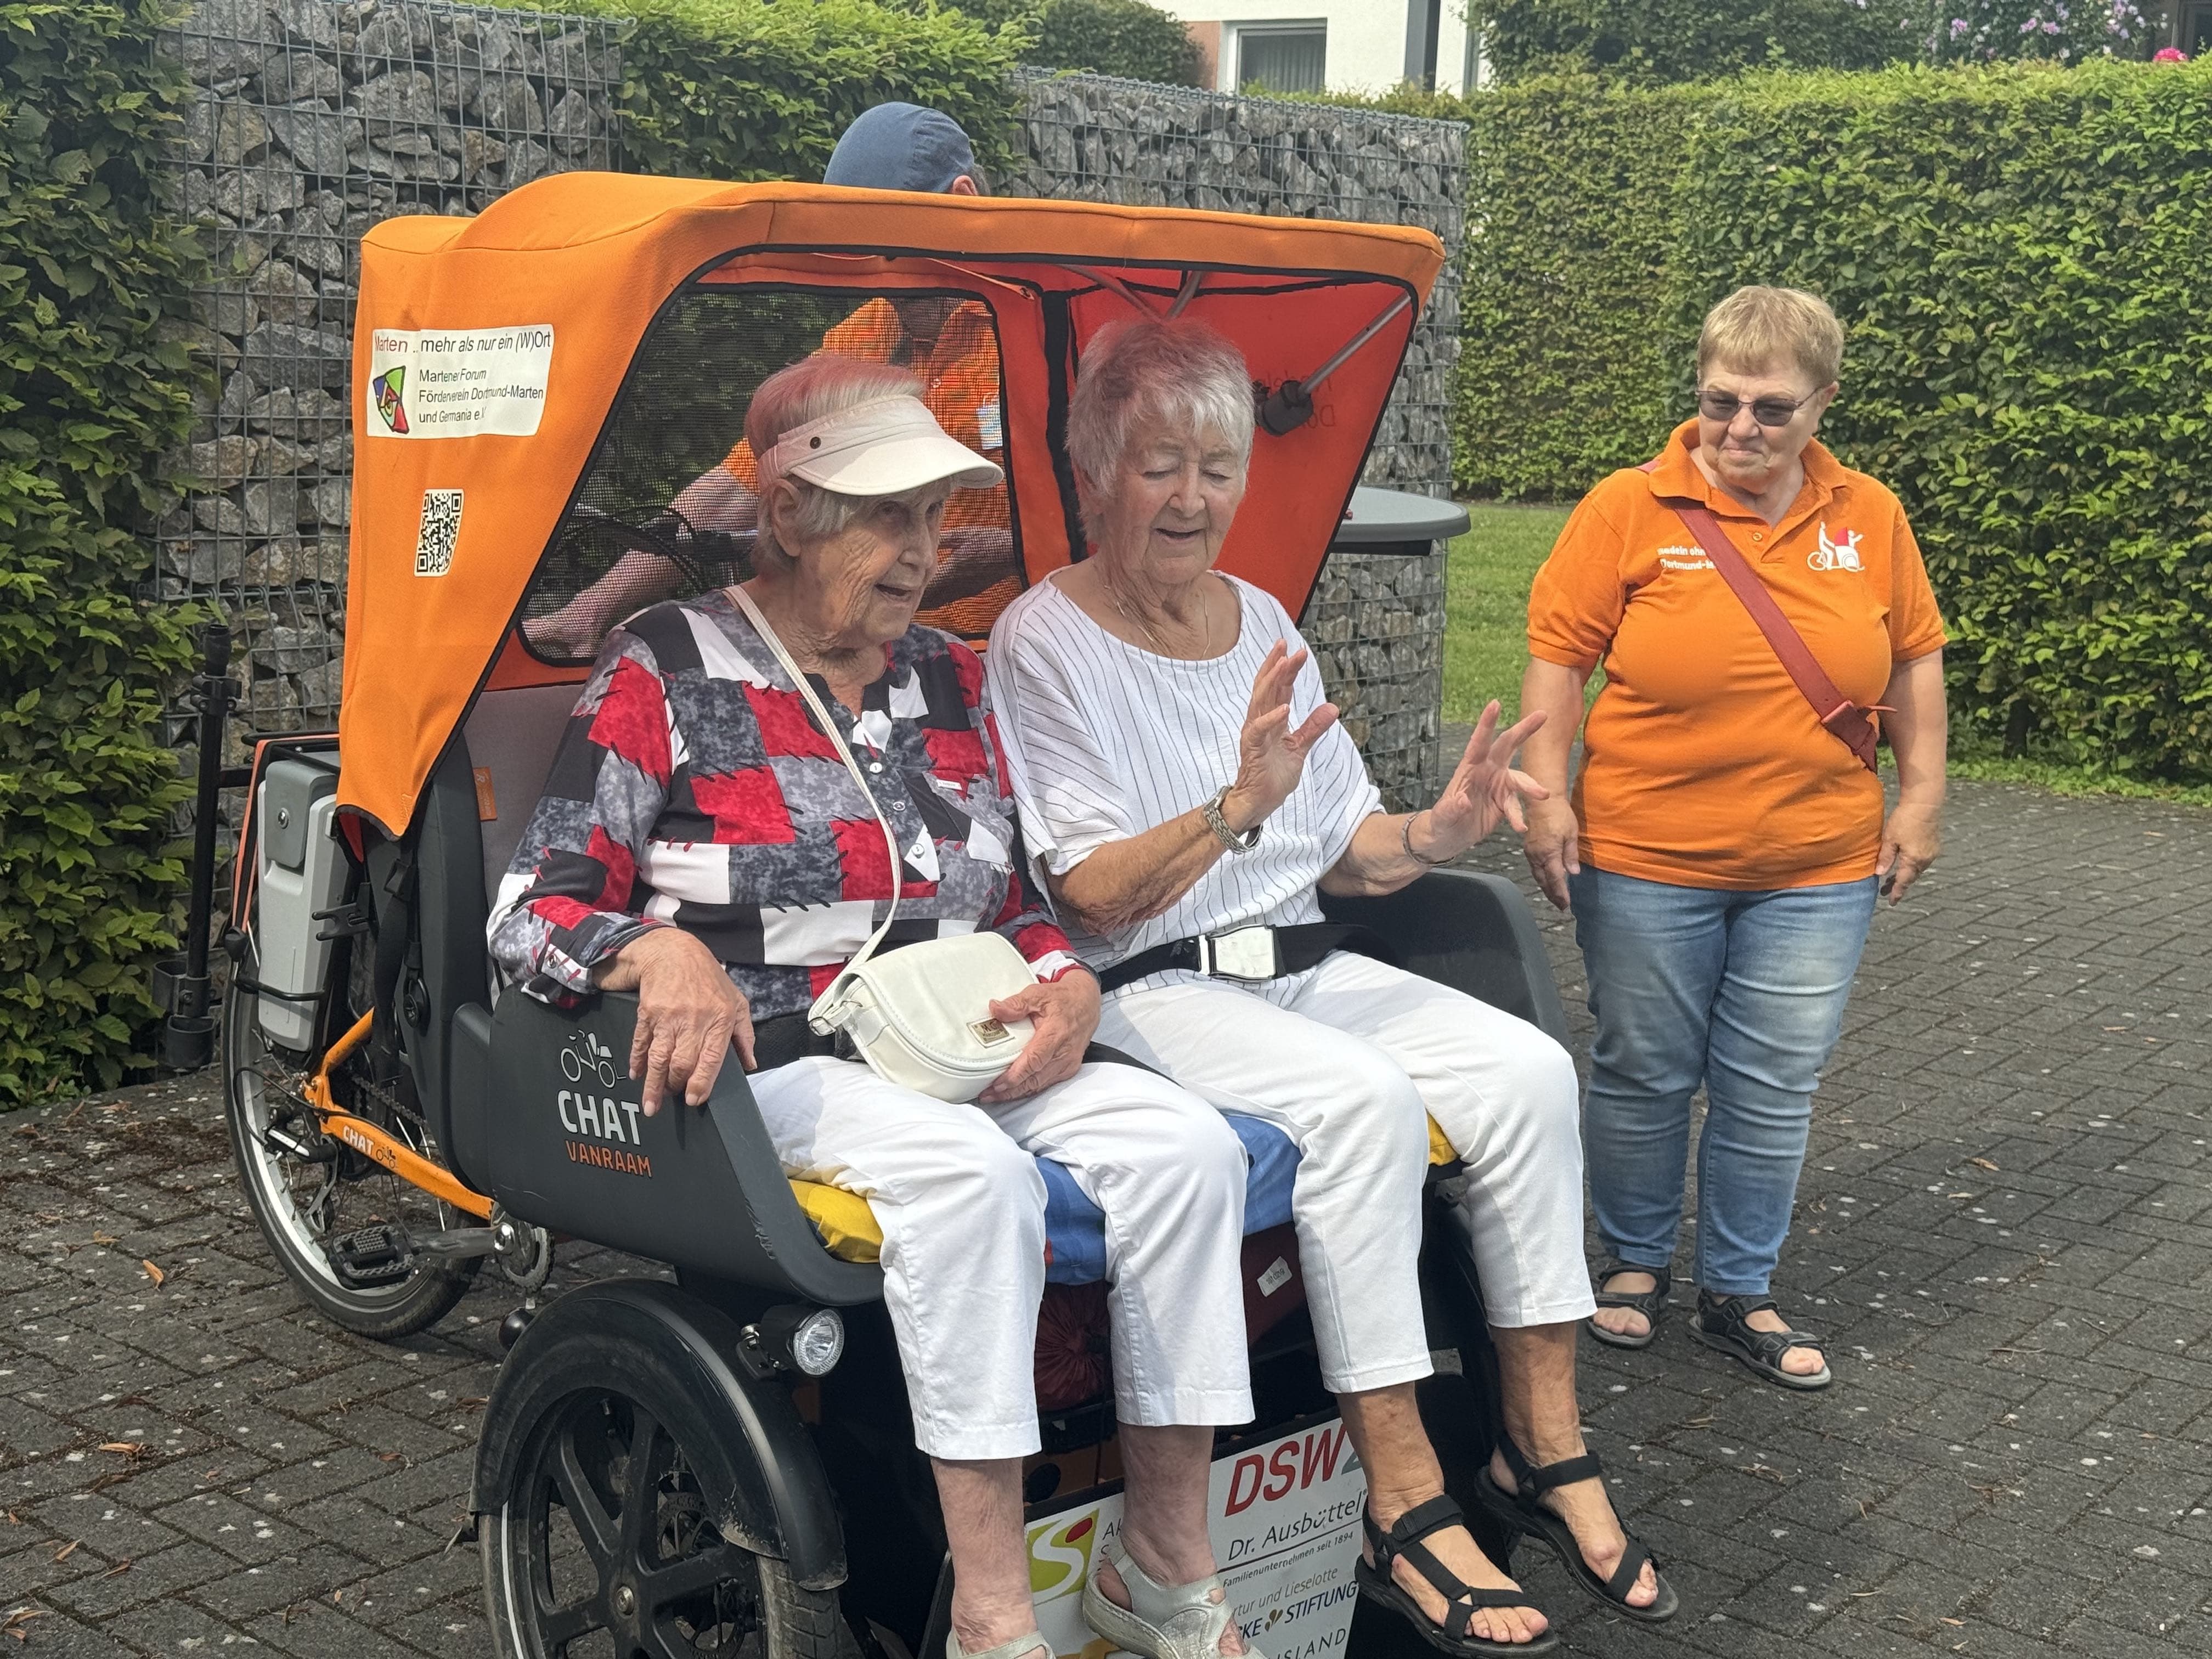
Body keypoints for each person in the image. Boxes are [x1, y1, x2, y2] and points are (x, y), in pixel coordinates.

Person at [491, 353, 1259, 1659]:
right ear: (787, 516)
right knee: (969, 1185)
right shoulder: (666, 666)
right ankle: (996, 1620)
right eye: (886, 513)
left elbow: (1011, 901)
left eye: (933, 516)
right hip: (776, 1058)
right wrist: (657, 955)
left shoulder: (947, 679)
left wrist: (1067, 983)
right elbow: (534, 907)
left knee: (1190, 1152)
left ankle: (1164, 1560)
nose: (920, 552)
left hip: (960, 1039)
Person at [988, 317, 1675, 1654]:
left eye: (1218, 468)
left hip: (1308, 962)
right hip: (1155, 989)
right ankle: (1405, 1501)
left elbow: (1343, 852)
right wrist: (1234, 806)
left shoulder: (1260, 617)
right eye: (1159, 466)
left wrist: (1438, 831)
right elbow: (1089, 892)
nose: (1194, 498)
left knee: (1532, 1070)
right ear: (1094, 473)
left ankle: (1541, 1444)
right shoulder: (1042, 640)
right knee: (1360, 1104)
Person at [1516, 285, 1949, 1391]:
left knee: (1771, 1084)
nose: (1743, 431)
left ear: (1824, 404)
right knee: (1644, 1069)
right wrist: (1547, 794)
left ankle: (1738, 1287)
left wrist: (1921, 797)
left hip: (1818, 867)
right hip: (1646, 856)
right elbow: (1559, 658)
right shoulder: (1628, 505)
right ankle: (1637, 1264)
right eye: (1722, 403)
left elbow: (1915, 659)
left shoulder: (1871, 515)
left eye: (1774, 409)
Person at [525, 103, 1018, 657]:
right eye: (846, 243)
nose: (860, 268)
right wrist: (589, 611)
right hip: (857, 649)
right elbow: (741, 481)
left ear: (962, 203)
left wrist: (1009, 551)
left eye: (878, 239)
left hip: (990, 654)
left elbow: (1106, 524)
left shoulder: (1032, 331)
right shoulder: (870, 330)